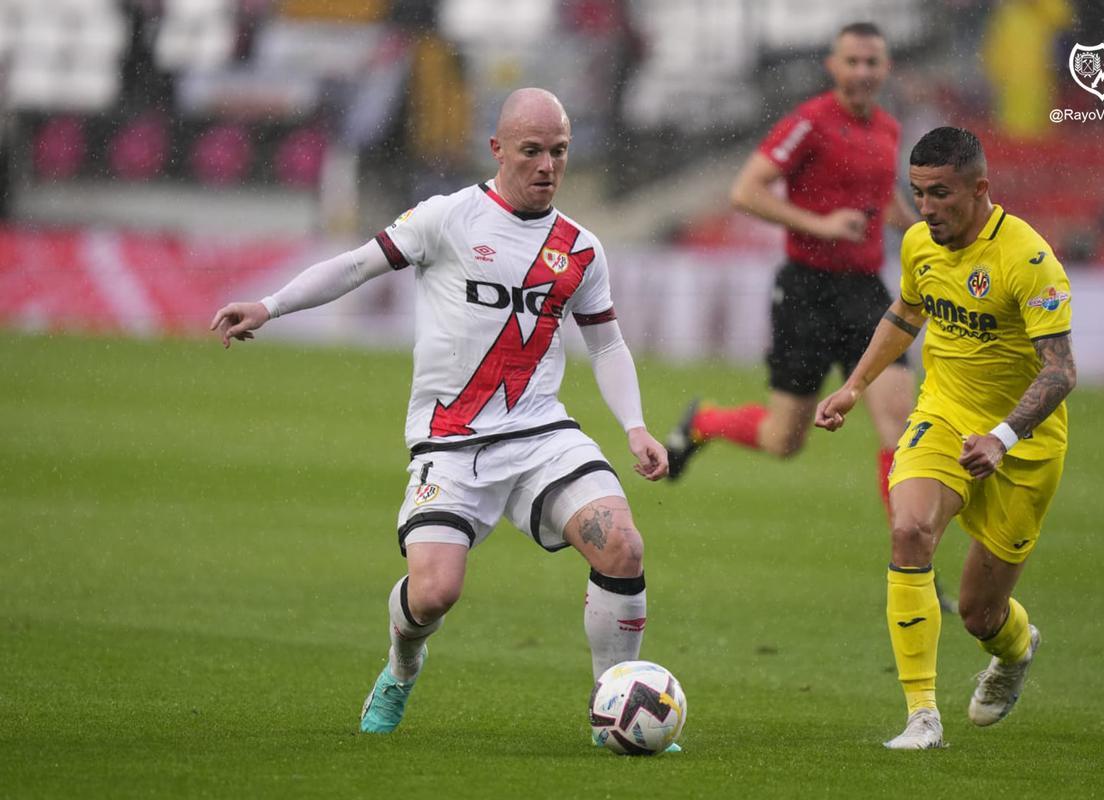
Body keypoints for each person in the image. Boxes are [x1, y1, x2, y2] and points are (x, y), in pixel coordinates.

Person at [210, 88, 671, 740]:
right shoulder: (447, 218)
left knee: (622, 546)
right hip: (450, 442)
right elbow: (355, 265)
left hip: (540, 433)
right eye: (533, 151)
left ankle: (611, 709)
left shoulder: (581, 248)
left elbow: (607, 342)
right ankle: (401, 667)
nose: (547, 166)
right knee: (433, 594)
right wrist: (271, 305)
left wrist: (635, 426)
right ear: (498, 149)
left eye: (559, 152)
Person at [815, 127, 1076, 749]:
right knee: (908, 530)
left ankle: (1015, 651)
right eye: (917, 193)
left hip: (1024, 446)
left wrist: (1005, 436)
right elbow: (907, 312)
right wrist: (854, 385)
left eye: (940, 194)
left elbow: (1061, 370)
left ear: (980, 189)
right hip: (944, 413)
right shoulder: (918, 244)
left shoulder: (1028, 258)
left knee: (982, 615)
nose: (926, 208)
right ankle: (922, 718)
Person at [665, 21, 919, 514]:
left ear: (886, 68)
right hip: (807, 291)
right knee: (784, 439)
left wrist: (924, 235)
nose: (863, 71)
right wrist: (820, 225)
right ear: (833, 66)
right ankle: (706, 422)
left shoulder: (888, 128)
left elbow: (882, 196)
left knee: (900, 427)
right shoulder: (809, 122)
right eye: (853, 61)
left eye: (872, 62)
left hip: (868, 291)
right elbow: (746, 191)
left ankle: (911, 577)